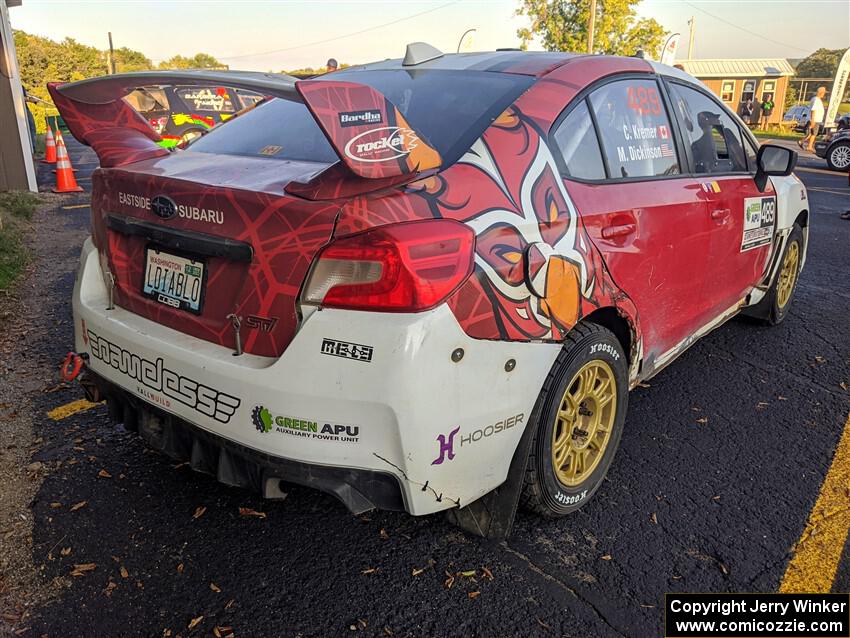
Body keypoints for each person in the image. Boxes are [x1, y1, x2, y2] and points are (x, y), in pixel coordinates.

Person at [799, 86, 826, 153]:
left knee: (811, 133)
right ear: (821, 93)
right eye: (824, 93)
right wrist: (813, 120)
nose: (824, 94)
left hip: (817, 119)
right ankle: (809, 146)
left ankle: (803, 142)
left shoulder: (815, 99)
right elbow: (813, 110)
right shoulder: (816, 100)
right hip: (815, 119)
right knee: (814, 134)